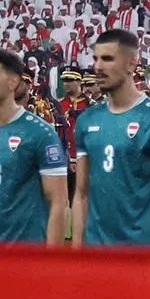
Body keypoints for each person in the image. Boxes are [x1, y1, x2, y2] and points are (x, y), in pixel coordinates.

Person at [72, 29, 150, 249]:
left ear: (131, 64)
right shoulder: (86, 120)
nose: (97, 67)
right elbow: (81, 194)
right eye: (96, 59)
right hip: (94, 252)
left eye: (107, 59)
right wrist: (77, 252)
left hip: (138, 253)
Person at [0, 48, 66, 244]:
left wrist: (51, 258)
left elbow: (58, 203)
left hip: (23, 253)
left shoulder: (40, 133)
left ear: (13, 81)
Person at [57, 66, 90, 204]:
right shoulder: (58, 104)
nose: (66, 84)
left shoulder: (89, 105)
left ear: (79, 82)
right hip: (63, 158)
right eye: (64, 80)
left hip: (85, 158)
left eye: (70, 80)